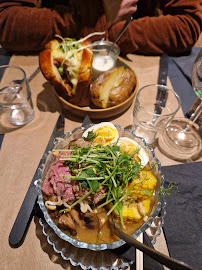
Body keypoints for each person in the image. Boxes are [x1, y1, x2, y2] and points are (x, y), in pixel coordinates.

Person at [0, 0, 201, 55]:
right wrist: (103, 21)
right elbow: (7, 20)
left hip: (130, 63)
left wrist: (110, 32)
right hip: (62, 59)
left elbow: (188, 23)